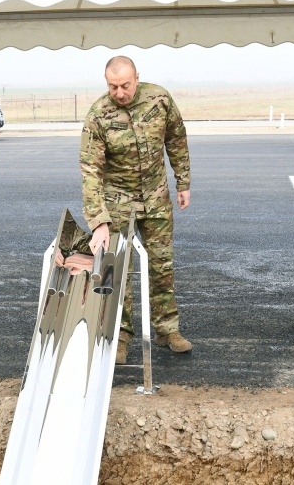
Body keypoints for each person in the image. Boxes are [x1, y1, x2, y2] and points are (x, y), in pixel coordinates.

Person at [79, 55, 192, 364]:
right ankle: (121, 336)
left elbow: (177, 139)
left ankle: (167, 329)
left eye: (125, 85)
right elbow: (90, 170)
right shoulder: (98, 115)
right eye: (113, 86)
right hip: (118, 202)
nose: (119, 92)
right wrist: (98, 220)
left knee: (162, 265)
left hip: (156, 198)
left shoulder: (160, 99)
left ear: (137, 78)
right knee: (119, 271)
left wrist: (183, 182)